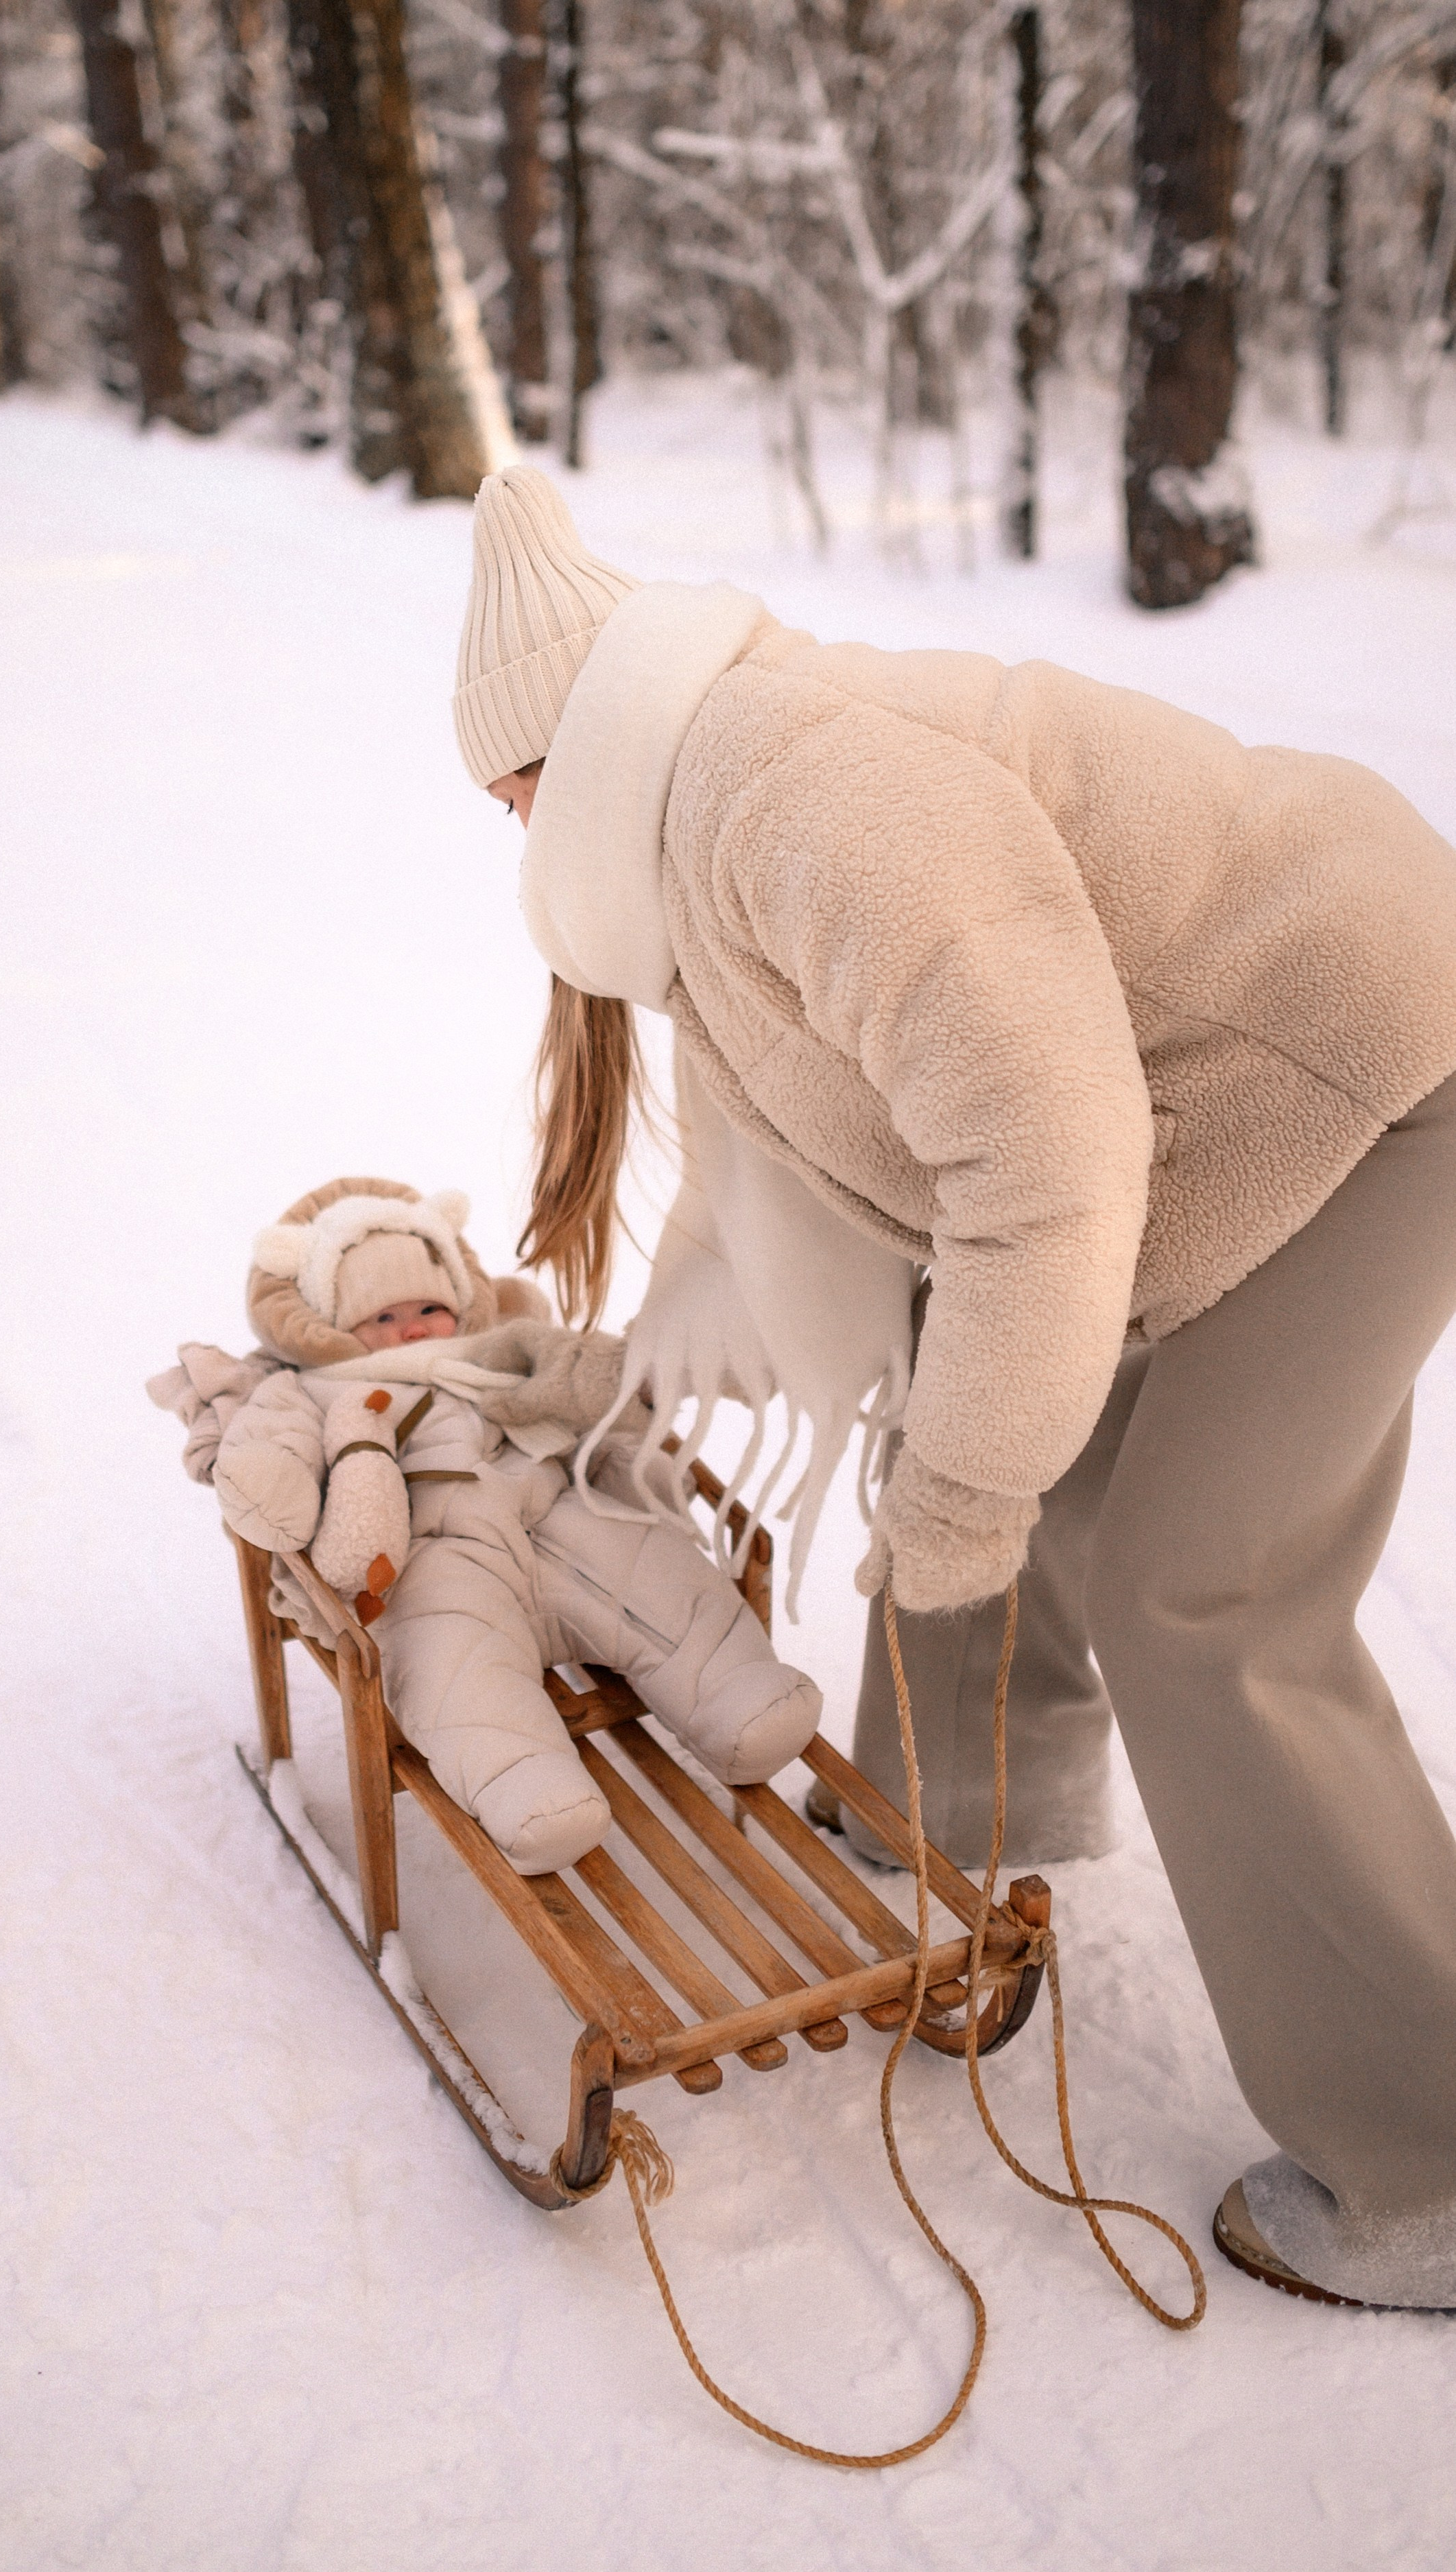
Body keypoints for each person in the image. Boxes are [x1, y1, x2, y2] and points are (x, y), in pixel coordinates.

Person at [451, 464, 1456, 2312]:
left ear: (571, 749)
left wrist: (960, 1499)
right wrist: (651, 1346)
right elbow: (763, 1146)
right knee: (1002, 1420)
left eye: (501, 782)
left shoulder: (801, 793)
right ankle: (960, 1814)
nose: (500, 824)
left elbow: (1041, 1160)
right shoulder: (702, 815)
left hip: (1374, 1060)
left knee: (1197, 1583)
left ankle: (1431, 2158)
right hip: (1206, 1121)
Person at [173, 1176, 821, 1875]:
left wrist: (622, 1388)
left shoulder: (498, 1353)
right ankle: (529, 1788)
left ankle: (739, 1698)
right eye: (383, 1318)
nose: (413, 1328)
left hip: (554, 1511)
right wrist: (271, 1474)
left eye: (428, 1306)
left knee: (653, 1565)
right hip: (433, 1553)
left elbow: (577, 1388)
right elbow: (274, 1450)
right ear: (333, 1326)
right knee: (448, 1658)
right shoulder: (311, 1387)